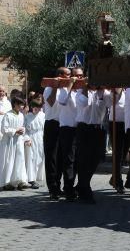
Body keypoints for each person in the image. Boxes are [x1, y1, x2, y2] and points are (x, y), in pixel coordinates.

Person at [76, 86, 107, 203]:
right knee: (84, 160)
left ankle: (82, 185)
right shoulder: (79, 92)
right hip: (84, 128)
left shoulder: (103, 91)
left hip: (98, 129)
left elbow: (113, 101)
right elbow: (83, 103)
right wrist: (85, 87)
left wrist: (102, 91)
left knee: (96, 158)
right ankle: (85, 189)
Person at [43, 66, 70, 200]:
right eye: (67, 74)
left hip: (64, 125)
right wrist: (55, 85)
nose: (69, 77)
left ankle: (59, 186)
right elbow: (51, 102)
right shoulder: (48, 88)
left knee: (61, 158)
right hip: (52, 124)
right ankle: (53, 188)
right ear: (60, 75)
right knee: (51, 158)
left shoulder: (67, 88)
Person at [58, 68, 84, 201]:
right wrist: (70, 84)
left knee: (78, 160)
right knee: (69, 160)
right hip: (67, 129)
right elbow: (62, 101)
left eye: (81, 76)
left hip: (79, 129)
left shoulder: (81, 90)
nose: (79, 78)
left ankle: (75, 187)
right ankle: (68, 189)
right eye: (76, 76)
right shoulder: (63, 89)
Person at [0, 95, 28, 190]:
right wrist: (15, 131)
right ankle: (7, 182)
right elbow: (4, 129)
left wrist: (22, 131)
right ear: (15, 104)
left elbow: (23, 126)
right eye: (21, 105)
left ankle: (20, 180)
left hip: (18, 141)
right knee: (9, 160)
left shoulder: (21, 115)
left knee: (19, 160)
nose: (22, 107)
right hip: (9, 142)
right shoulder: (8, 115)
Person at [104, 88, 126, 194]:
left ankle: (115, 177)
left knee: (124, 155)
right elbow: (113, 100)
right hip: (116, 123)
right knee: (118, 154)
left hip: (129, 123)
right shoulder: (112, 91)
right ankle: (118, 182)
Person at [24, 99, 45, 188]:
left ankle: (37, 177)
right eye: (35, 108)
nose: (37, 110)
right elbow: (25, 129)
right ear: (32, 107)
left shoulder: (43, 115)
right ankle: (31, 179)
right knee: (31, 158)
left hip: (40, 138)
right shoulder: (27, 116)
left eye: (39, 108)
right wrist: (27, 139)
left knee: (39, 157)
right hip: (31, 138)